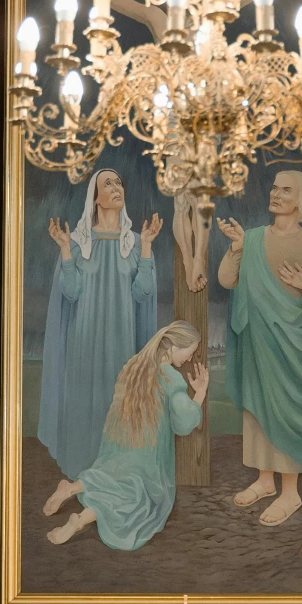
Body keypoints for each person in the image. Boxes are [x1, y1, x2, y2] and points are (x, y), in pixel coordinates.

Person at [218, 169, 302, 527]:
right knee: (259, 409)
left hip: (295, 347)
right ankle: (264, 481)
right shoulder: (255, 238)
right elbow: (227, 280)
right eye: (274, 188)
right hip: (257, 342)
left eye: (286, 191)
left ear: (301, 201)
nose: (276, 195)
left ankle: (289, 492)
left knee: (288, 414)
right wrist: (236, 247)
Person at [39, 168, 161, 487]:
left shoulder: (134, 243)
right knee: (86, 404)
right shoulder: (79, 243)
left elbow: (143, 293)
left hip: (122, 342)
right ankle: (85, 473)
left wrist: (147, 248)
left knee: (118, 405)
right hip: (85, 340)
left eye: (119, 182)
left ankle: (116, 476)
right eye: (108, 183)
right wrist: (65, 250)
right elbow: (73, 292)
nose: (117, 187)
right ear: (95, 196)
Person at [45, 320, 206, 548]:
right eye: (189, 352)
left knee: (113, 480)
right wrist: (199, 394)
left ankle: (73, 488)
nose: (189, 359)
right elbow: (183, 422)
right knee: (140, 501)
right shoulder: (170, 376)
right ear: (173, 348)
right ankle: (79, 520)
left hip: (119, 446)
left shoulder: (134, 365)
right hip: (148, 454)